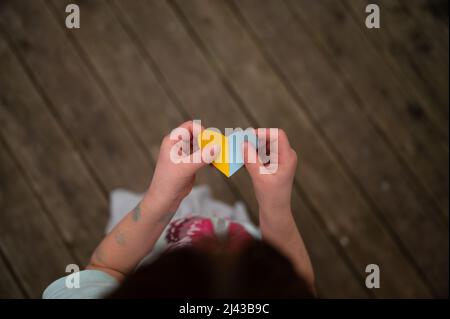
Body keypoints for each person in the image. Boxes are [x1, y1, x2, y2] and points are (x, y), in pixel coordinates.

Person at [43, 121, 315, 298]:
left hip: (154, 235)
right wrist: (276, 207)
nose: (217, 243)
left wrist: (160, 197)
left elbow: (106, 266)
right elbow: (302, 287)